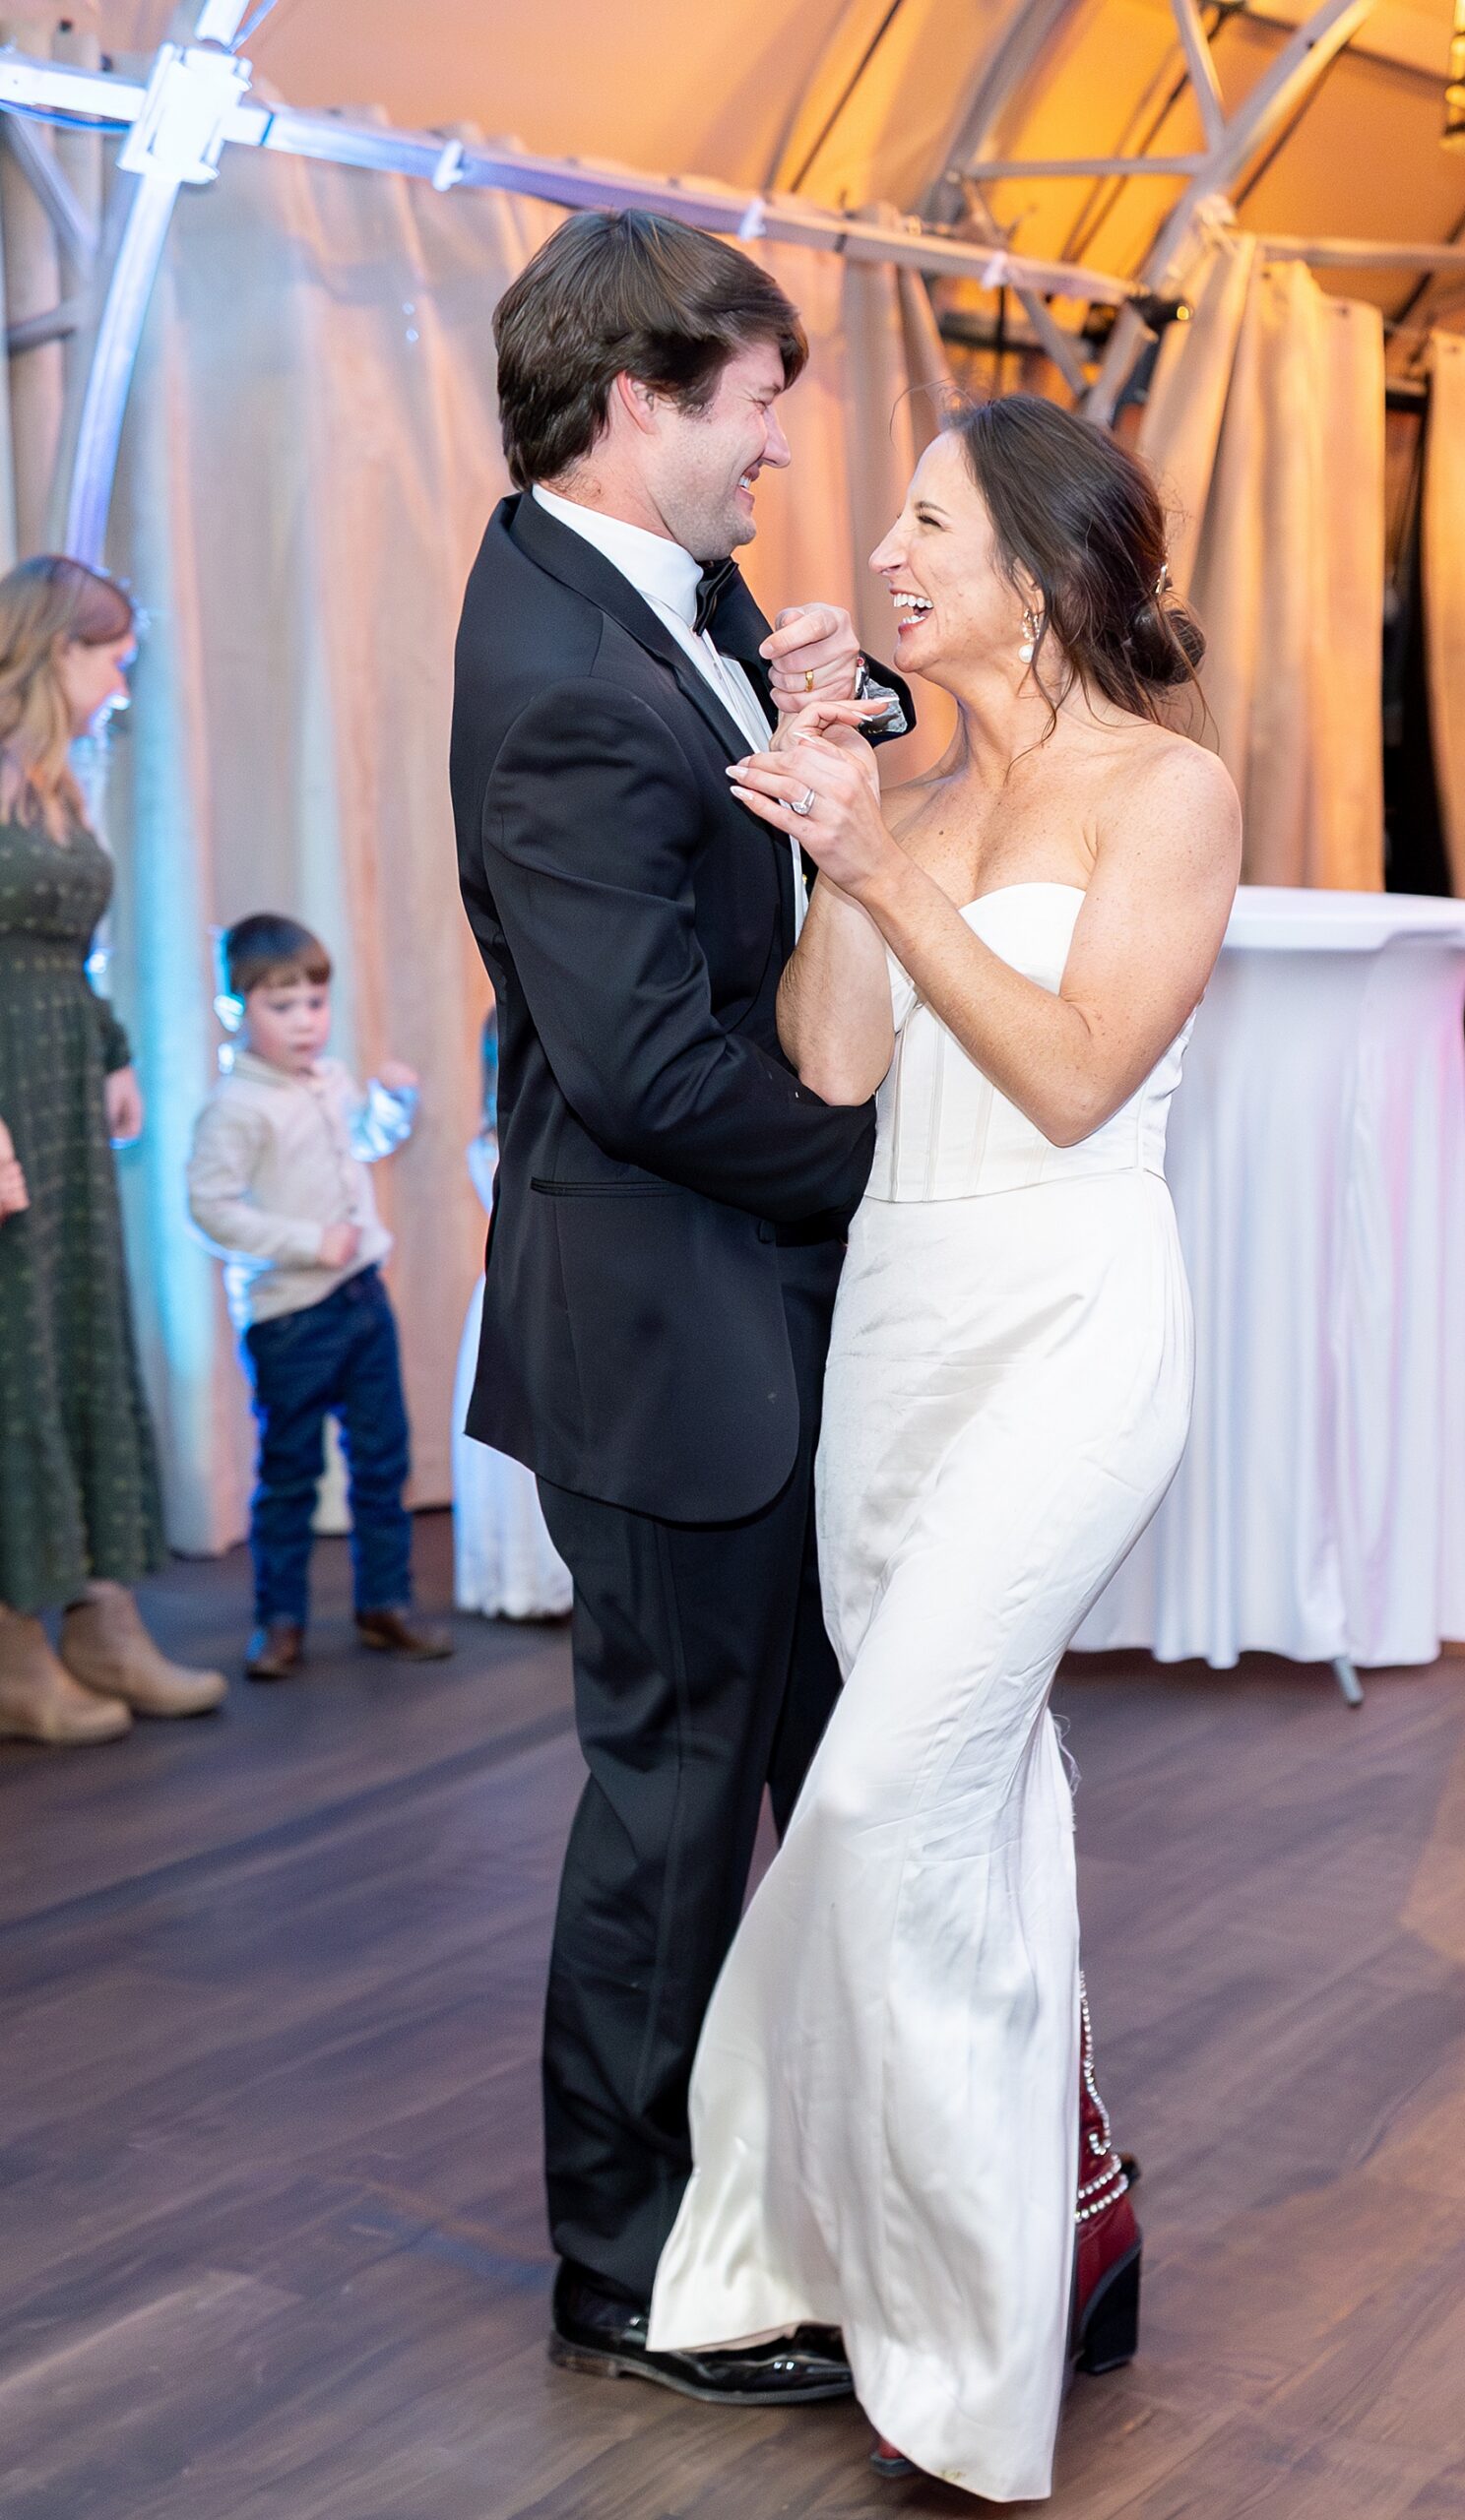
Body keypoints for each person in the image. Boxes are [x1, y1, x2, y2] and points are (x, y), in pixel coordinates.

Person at [647, 397, 1242, 2500]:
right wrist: (851, 822)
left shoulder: (1163, 793)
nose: (883, 557)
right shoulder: (929, 790)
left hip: (1070, 1328)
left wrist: (887, 863)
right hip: (899, 1331)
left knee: (887, 1797)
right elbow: (828, 1061)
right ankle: (1064, 2218)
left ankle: (952, 2324)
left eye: (922, 523)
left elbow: (1078, 1077)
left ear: (1038, 565)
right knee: (964, 1798)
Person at [450, 207, 914, 2405]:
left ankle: (770, 2189)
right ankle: (619, 2262)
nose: (778, 465)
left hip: (740, 1294)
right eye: (754, 416)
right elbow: (642, 1066)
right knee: (667, 1797)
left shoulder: (646, 587)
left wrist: (840, 697)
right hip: (664, 1318)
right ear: (637, 404)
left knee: (775, 1772)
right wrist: (908, 1180)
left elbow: (752, 769)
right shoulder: (552, 671)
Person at [0, 554, 227, 1747]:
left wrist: (118, 1048)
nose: (116, 687)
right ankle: (11, 1644)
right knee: (12, 1352)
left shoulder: (52, 784)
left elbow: (55, 950)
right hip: (4, 1101)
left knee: (77, 1333)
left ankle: (101, 1617)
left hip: (61, 1090)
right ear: (54, 653)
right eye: (110, 662)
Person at [187, 914, 453, 1680]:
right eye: (282, 1005)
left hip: (362, 1301)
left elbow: (362, 1141)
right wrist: (308, 1241)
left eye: (314, 1002)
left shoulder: (329, 1080)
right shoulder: (235, 1107)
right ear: (235, 1010)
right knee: (290, 1472)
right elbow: (211, 1210)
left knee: (381, 1460)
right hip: (289, 1318)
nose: (305, 1021)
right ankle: (279, 1620)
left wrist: (392, 1107)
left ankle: (384, 1604)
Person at [451, 1011, 574, 1618]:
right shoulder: (496, 1142)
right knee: (525, 1451)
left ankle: (551, 1579)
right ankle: (527, 1581)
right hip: (525, 1296)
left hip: (541, 1293)